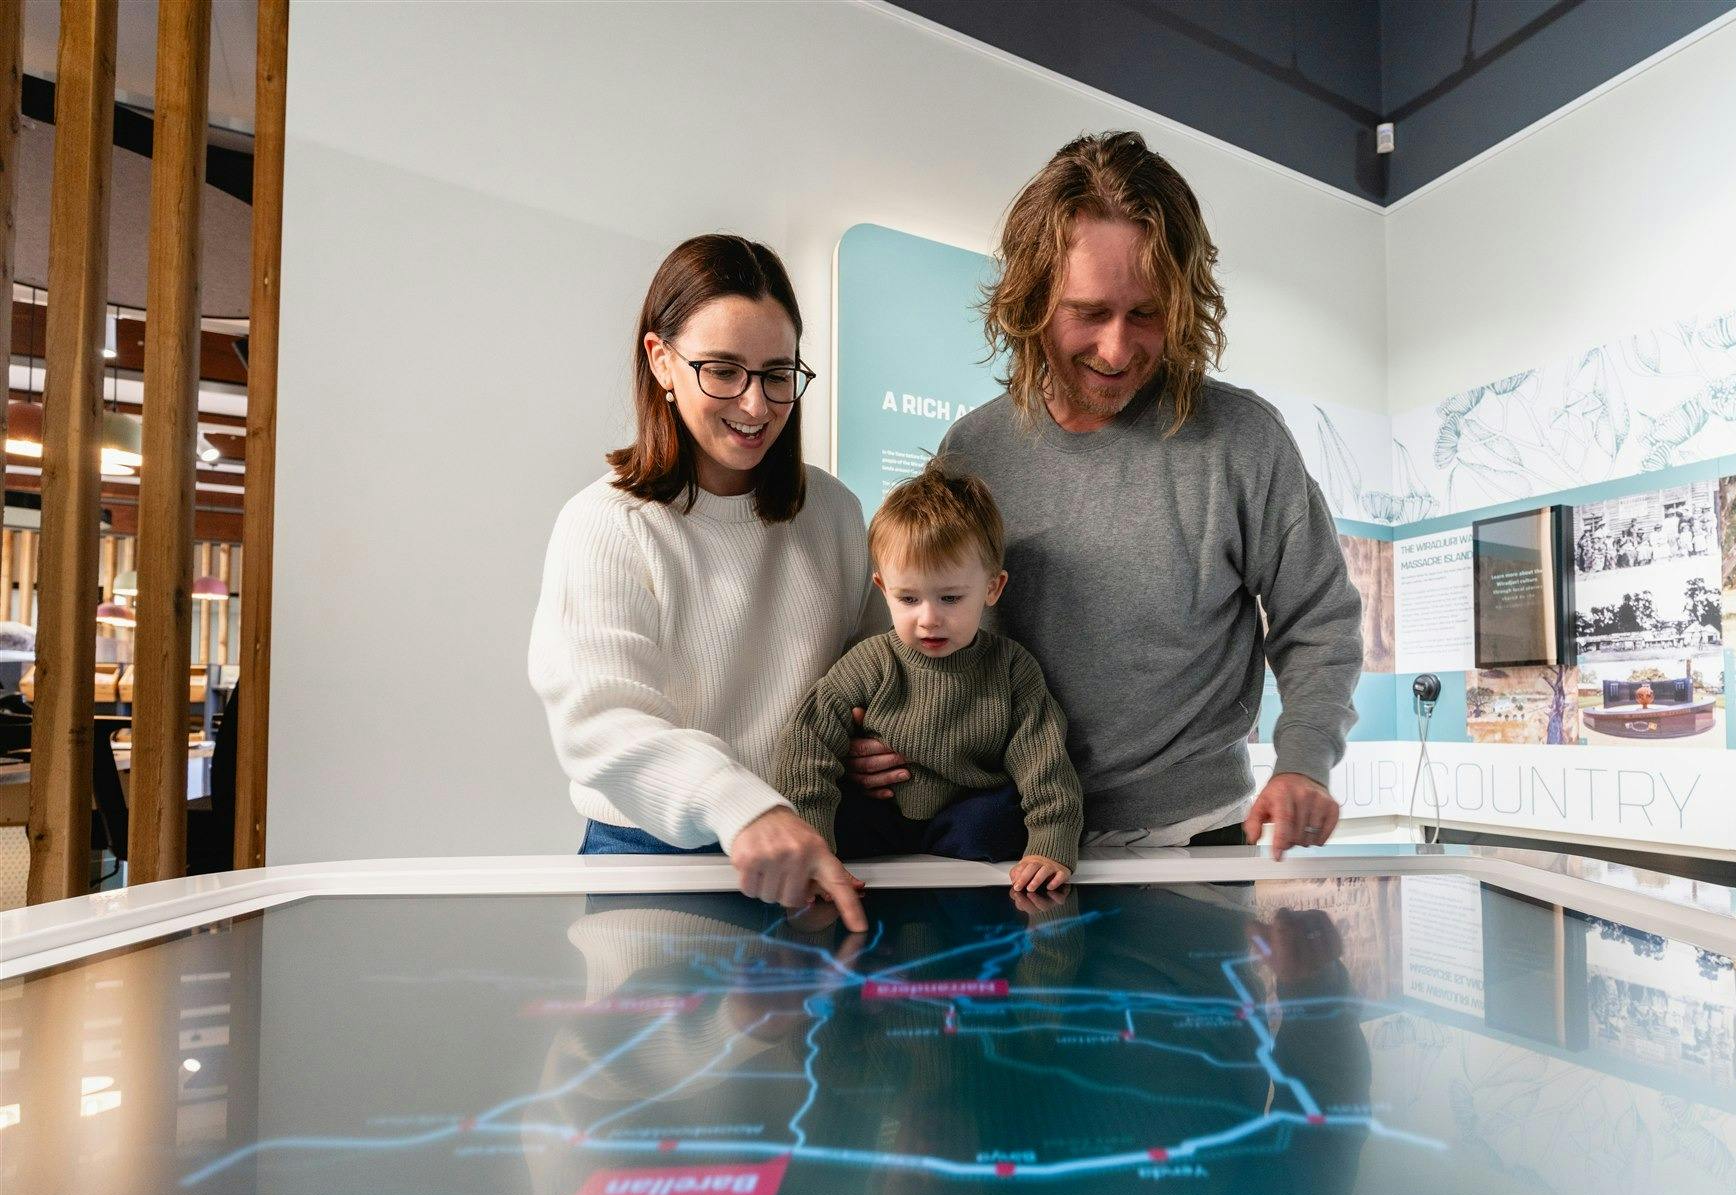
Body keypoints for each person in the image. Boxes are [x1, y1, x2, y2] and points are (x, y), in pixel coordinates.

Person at [864, 131, 1363, 859]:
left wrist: (1303, 761)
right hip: (1014, 835)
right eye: (1089, 312)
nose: (1117, 349)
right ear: (1031, 300)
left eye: (1147, 313)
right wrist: (880, 738)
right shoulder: (974, 452)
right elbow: (927, 633)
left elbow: (1320, 620)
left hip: (1198, 837)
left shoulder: (1244, 441)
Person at [529, 235, 883, 931]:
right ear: (660, 360)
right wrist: (741, 805)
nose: (755, 405)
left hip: (810, 848)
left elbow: (877, 676)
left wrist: (885, 743)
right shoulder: (603, 523)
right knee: (670, 1046)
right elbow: (602, 721)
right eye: (722, 370)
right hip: (653, 861)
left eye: (778, 373)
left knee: (804, 1043)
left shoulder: (834, 512)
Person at [771, 467, 1084, 893]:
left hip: (963, 813)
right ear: (883, 588)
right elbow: (807, 742)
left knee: (1000, 817)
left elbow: (1044, 762)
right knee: (827, 812)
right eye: (909, 599)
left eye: (951, 598)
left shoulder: (1012, 668)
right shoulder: (869, 662)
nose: (929, 619)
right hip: (879, 812)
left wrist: (1051, 843)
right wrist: (813, 841)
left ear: (992, 588)